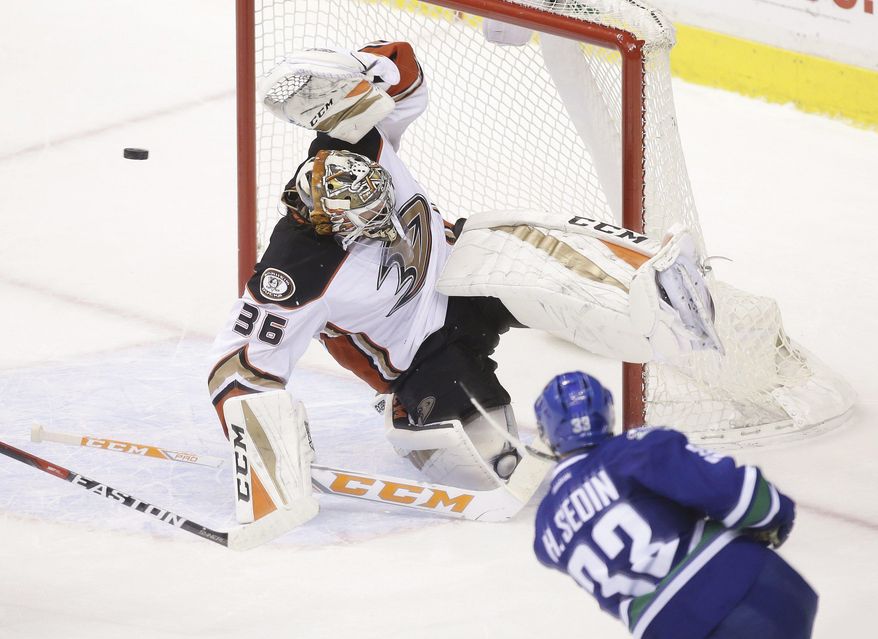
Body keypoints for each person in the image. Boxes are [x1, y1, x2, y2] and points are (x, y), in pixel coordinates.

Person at [208, 40, 721, 507]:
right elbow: (236, 369)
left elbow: (405, 73)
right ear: (329, 222)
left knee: (565, 266)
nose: (385, 221)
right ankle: (409, 418)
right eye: (368, 220)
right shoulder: (291, 275)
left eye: (380, 202)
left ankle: (652, 286)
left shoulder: (357, 140)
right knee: (497, 469)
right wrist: (268, 453)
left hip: (466, 270)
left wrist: (357, 72)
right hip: (422, 356)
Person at [532, 371, 818, 639]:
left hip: (669, 629)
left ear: (546, 432)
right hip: (748, 589)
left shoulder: (546, 525)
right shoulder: (637, 449)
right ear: (607, 411)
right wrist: (777, 515)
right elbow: (740, 494)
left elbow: (549, 551)